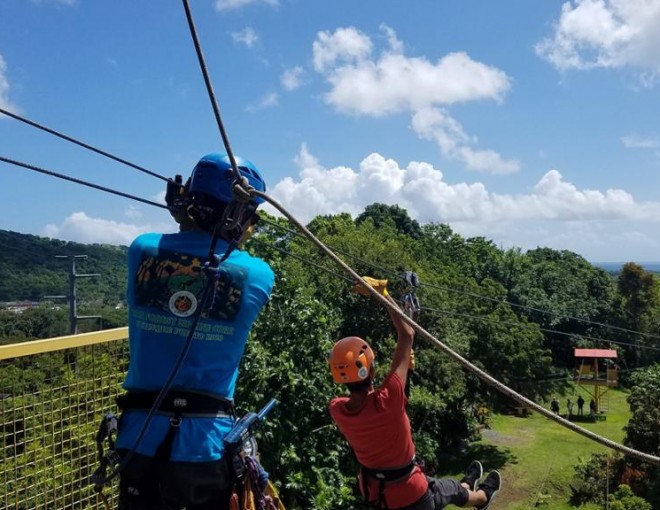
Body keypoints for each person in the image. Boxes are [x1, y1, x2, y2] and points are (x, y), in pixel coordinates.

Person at [114, 153, 275, 509]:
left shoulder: (142, 251)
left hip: (138, 439)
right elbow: (224, 257)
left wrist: (185, 218)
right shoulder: (258, 275)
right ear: (236, 214)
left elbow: (181, 251)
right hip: (205, 445)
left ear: (188, 200)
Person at [328, 277, 501, 510]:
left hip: (376, 493)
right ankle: (483, 497)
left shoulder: (338, 409)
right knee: (451, 491)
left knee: (448, 489)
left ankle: (467, 485)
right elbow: (407, 334)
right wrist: (383, 294)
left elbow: (369, 402)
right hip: (411, 494)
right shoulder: (387, 399)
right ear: (371, 368)